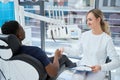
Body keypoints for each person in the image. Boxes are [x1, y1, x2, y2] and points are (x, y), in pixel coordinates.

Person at [1, 20, 76, 78]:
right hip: (46, 72)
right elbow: (53, 73)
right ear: (19, 35)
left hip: (30, 73)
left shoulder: (8, 55)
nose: (23, 29)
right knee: (64, 57)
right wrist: (56, 56)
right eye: (21, 28)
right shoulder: (35, 51)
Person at [61, 9, 120, 80]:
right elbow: (77, 51)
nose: (88, 22)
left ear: (98, 20)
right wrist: (64, 49)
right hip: (82, 67)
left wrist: (101, 67)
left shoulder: (106, 39)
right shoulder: (84, 35)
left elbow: (116, 62)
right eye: (87, 20)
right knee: (77, 78)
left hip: (98, 70)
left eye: (90, 20)